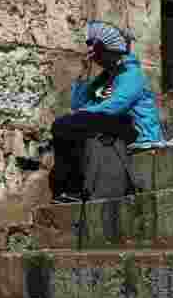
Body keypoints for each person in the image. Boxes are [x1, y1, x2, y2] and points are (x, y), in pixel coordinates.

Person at [44, 20, 164, 202]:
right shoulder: (104, 77)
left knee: (70, 123)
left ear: (111, 51)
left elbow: (115, 106)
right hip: (109, 121)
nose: (96, 58)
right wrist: (85, 72)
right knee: (64, 125)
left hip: (134, 129)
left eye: (98, 53)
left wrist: (83, 113)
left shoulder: (132, 74)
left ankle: (74, 188)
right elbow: (77, 105)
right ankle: (68, 189)